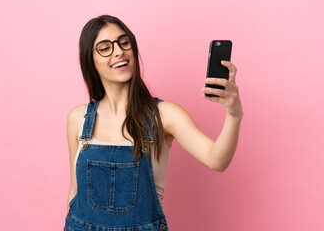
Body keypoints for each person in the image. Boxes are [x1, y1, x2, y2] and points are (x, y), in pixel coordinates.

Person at [64, 14, 243, 231]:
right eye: (105, 47)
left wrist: (234, 114)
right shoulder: (78, 119)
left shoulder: (164, 115)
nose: (119, 51)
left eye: (123, 42)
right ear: (89, 60)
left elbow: (217, 160)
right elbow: (75, 192)